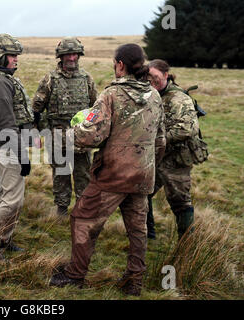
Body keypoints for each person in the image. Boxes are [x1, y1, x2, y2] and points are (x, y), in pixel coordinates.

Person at [49, 44, 166, 296]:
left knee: (82, 220)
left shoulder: (111, 94)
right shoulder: (154, 96)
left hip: (113, 175)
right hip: (142, 175)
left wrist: (69, 134)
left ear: (120, 65)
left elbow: (92, 137)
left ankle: (74, 275)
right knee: (138, 230)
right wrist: (148, 166)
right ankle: (134, 281)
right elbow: (161, 140)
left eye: (115, 63)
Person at [0, 33, 34, 260]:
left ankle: (4, 238)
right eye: (12, 56)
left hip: (5, 144)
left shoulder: (2, 78)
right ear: (1, 57)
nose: (16, 60)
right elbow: (7, 122)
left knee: (7, 196)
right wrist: (21, 155)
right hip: (5, 146)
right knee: (12, 200)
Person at [32, 37, 97, 216]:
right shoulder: (50, 79)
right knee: (61, 174)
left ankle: (82, 209)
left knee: (83, 174)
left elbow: (96, 107)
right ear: (61, 57)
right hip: (57, 136)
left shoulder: (86, 79)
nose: (71, 58)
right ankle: (62, 208)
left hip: (81, 137)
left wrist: (91, 129)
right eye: (68, 54)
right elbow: (37, 108)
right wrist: (37, 131)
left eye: (75, 54)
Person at [146, 59, 201, 239]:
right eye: (148, 77)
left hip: (176, 158)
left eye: (155, 77)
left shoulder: (179, 98)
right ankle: (147, 234)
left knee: (180, 203)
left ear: (165, 75)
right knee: (140, 193)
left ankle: (186, 244)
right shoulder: (150, 95)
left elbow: (188, 128)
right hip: (154, 157)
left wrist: (159, 139)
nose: (152, 81)